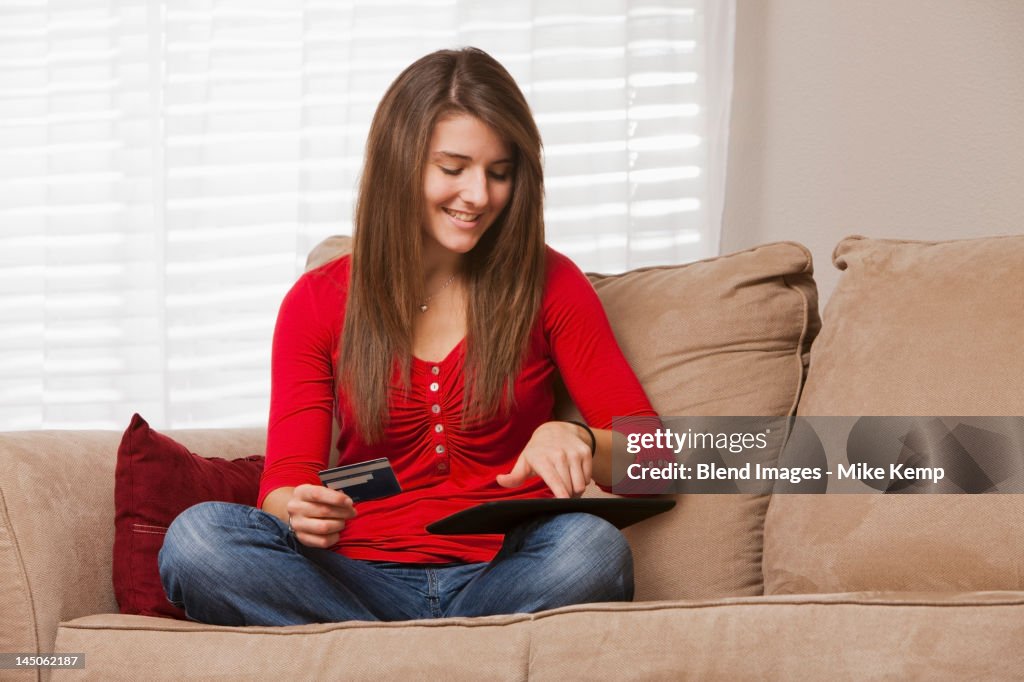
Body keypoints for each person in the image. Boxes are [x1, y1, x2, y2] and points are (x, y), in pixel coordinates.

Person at [159, 47, 659, 626]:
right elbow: (285, 478)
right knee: (199, 539)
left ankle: (378, 657)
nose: (479, 195)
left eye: (500, 172)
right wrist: (298, 508)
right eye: (453, 169)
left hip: (505, 575)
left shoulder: (552, 283)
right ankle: (438, 657)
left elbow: (661, 462)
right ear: (400, 164)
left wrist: (579, 438)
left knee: (591, 548)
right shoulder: (318, 300)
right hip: (353, 578)